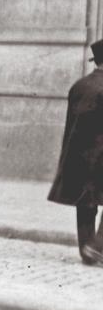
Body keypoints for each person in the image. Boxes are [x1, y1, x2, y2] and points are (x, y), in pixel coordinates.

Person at [48, 39, 103, 264]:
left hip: (78, 157)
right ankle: (98, 246)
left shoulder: (78, 85)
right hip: (100, 157)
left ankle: (86, 250)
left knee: (85, 203)